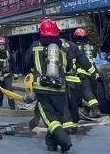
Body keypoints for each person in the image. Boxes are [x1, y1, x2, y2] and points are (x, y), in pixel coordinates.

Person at [26, 19, 74, 152]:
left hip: (42, 89)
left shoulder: (35, 46)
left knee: (50, 118)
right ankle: (51, 143)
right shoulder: (63, 48)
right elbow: (69, 66)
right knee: (58, 116)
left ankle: (64, 140)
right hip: (60, 89)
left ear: (41, 33)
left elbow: (26, 61)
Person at [70, 29, 101, 120]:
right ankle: (86, 111)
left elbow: (74, 61)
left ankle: (95, 109)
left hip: (82, 73)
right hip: (92, 72)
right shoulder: (92, 47)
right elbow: (93, 60)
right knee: (87, 92)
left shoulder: (75, 47)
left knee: (86, 92)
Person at [0, 37, 15, 109]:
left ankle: (12, 106)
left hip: (7, 75)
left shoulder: (8, 53)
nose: (2, 46)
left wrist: (15, 74)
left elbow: (13, 64)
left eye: (3, 44)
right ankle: (0, 99)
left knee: (9, 91)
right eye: (0, 44)